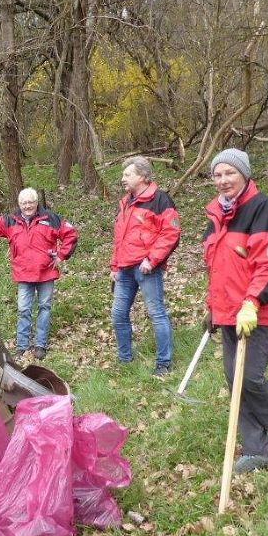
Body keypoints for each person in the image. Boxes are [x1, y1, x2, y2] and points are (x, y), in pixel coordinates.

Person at [204, 148, 268, 473]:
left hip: (261, 310)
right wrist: (213, 309)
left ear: (244, 173)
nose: (223, 180)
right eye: (217, 174)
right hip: (229, 311)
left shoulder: (264, 209)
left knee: (249, 377)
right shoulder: (217, 215)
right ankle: (256, 447)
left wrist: (251, 302)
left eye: (230, 172)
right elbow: (217, 268)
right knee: (234, 378)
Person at [0, 188, 77, 360]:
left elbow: (70, 234)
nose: (27, 206)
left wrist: (61, 256)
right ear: (19, 204)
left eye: (31, 202)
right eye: (24, 203)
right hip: (23, 274)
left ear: (37, 203)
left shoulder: (51, 218)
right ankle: (22, 346)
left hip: (46, 272)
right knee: (23, 310)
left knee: (44, 308)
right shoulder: (9, 220)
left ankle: (40, 345)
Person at [109, 156, 180, 377]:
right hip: (124, 269)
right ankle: (124, 359)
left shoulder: (160, 200)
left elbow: (171, 233)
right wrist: (114, 266)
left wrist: (152, 260)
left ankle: (163, 364)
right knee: (118, 314)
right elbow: (119, 238)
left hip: (146, 268)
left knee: (156, 313)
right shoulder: (126, 202)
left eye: (127, 174)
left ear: (142, 176)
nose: (123, 179)